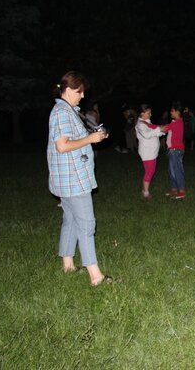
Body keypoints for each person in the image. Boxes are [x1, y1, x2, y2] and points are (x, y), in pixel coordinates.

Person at [47, 71, 111, 286]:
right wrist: (90, 139)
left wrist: (94, 136)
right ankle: (95, 275)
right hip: (72, 179)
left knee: (71, 220)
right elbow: (62, 145)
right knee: (86, 224)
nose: (82, 96)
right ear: (67, 90)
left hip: (68, 178)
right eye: (79, 91)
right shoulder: (61, 113)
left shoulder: (69, 111)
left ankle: (67, 264)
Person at [135, 104, 167, 199]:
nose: (151, 114)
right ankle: (146, 192)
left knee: (151, 171)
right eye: (148, 113)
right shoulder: (140, 124)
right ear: (142, 113)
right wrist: (159, 129)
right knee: (149, 171)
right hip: (147, 152)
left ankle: (144, 189)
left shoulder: (147, 122)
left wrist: (162, 131)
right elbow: (146, 135)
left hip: (152, 151)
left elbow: (155, 132)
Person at [165, 101, 186, 199]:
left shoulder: (177, 123)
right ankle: (174, 189)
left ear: (177, 112)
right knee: (171, 170)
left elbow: (163, 128)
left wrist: (147, 125)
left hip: (175, 150)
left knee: (177, 169)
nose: (170, 112)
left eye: (172, 111)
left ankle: (181, 190)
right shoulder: (175, 122)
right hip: (172, 150)